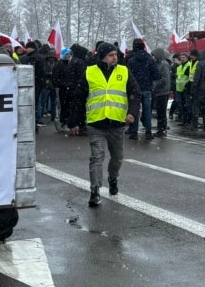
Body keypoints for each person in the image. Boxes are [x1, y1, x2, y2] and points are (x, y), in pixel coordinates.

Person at [68, 42, 141, 207]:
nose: (115, 58)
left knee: (117, 157)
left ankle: (113, 178)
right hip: (96, 122)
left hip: (117, 122)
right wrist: (74, 122)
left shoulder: (124, 71)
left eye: (115, 55)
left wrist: (132, 113)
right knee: (96, 157)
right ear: (102, 56)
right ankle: (95, 191)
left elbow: (135, 94)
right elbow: (79, 98)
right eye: (111, 55)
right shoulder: (90, 72)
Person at [126, 38, 161, 140]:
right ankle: (148, 132)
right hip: (147, 88)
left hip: (135, 89)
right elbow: (157, 75)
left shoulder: (131, 60)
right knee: (147, 111)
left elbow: (128, 76)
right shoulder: (150, 60)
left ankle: (134, 132)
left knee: (135, 110)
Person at [151, 48, 172, 137]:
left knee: (161, 111)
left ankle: (162, 129)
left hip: (162, 91)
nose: (153, 57)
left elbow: (164, 79)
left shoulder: (163, 65)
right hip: (160, 90)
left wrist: (154, 84)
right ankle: (162, 127)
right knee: (160, 111)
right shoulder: (159, 64)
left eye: (154, 55)